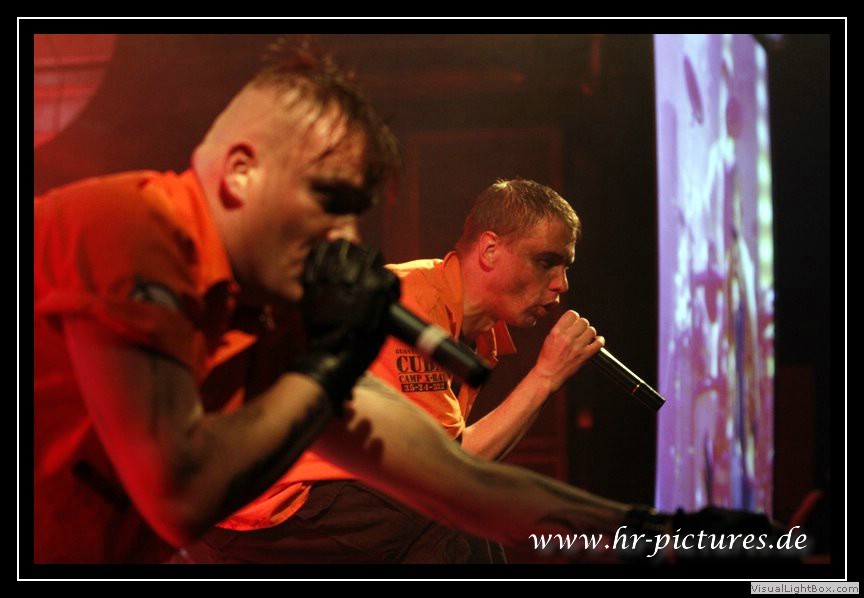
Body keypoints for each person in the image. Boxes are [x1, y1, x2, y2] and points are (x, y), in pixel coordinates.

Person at [33, 44, 654, 565]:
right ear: (242, 172)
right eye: (330, 204)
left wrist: (652, 533)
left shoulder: (264, 309)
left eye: (355, 214)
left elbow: (450, 473)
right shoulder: (136, 228)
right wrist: (330, 361)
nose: (347, 240)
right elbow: (178, 494)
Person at [176, 179, 608, 564]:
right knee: (452, 517)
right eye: (546, 262)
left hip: (316, 504)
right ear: (490, 250)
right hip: (266, 505)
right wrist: (545, 377)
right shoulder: (412, 303)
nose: (561, 284)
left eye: (566, 267)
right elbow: (451, 471)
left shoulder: (477, 334)